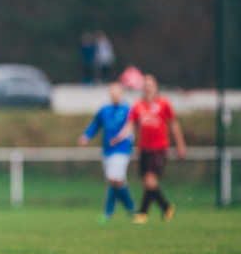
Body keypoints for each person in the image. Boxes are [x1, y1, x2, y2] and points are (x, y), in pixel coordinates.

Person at [111, 74, 186, 224]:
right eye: (145, 85)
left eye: (150, 85)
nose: (148, 88)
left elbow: (174, 124)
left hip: (159, 148)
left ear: (155, 86)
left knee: (150, 179)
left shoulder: (164, 103)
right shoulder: (138, 105)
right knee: (148, 182)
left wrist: (180, 145)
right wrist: (119, 137)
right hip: (143, 148)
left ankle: (143, 213)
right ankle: (166, 207)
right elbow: (131, 125)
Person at [78, 82, 136, 223]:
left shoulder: (128, 109)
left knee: (114, 178)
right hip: (107, 150)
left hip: (122, 149)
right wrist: (86, 136)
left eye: (117, 93)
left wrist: (121, 137)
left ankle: (112, 211)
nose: (115, 95)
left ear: (121, 94)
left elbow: (132, 126)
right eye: (112, 93)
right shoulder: (104, 109)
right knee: (116, 182)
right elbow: (95, 125)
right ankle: (130, 210)